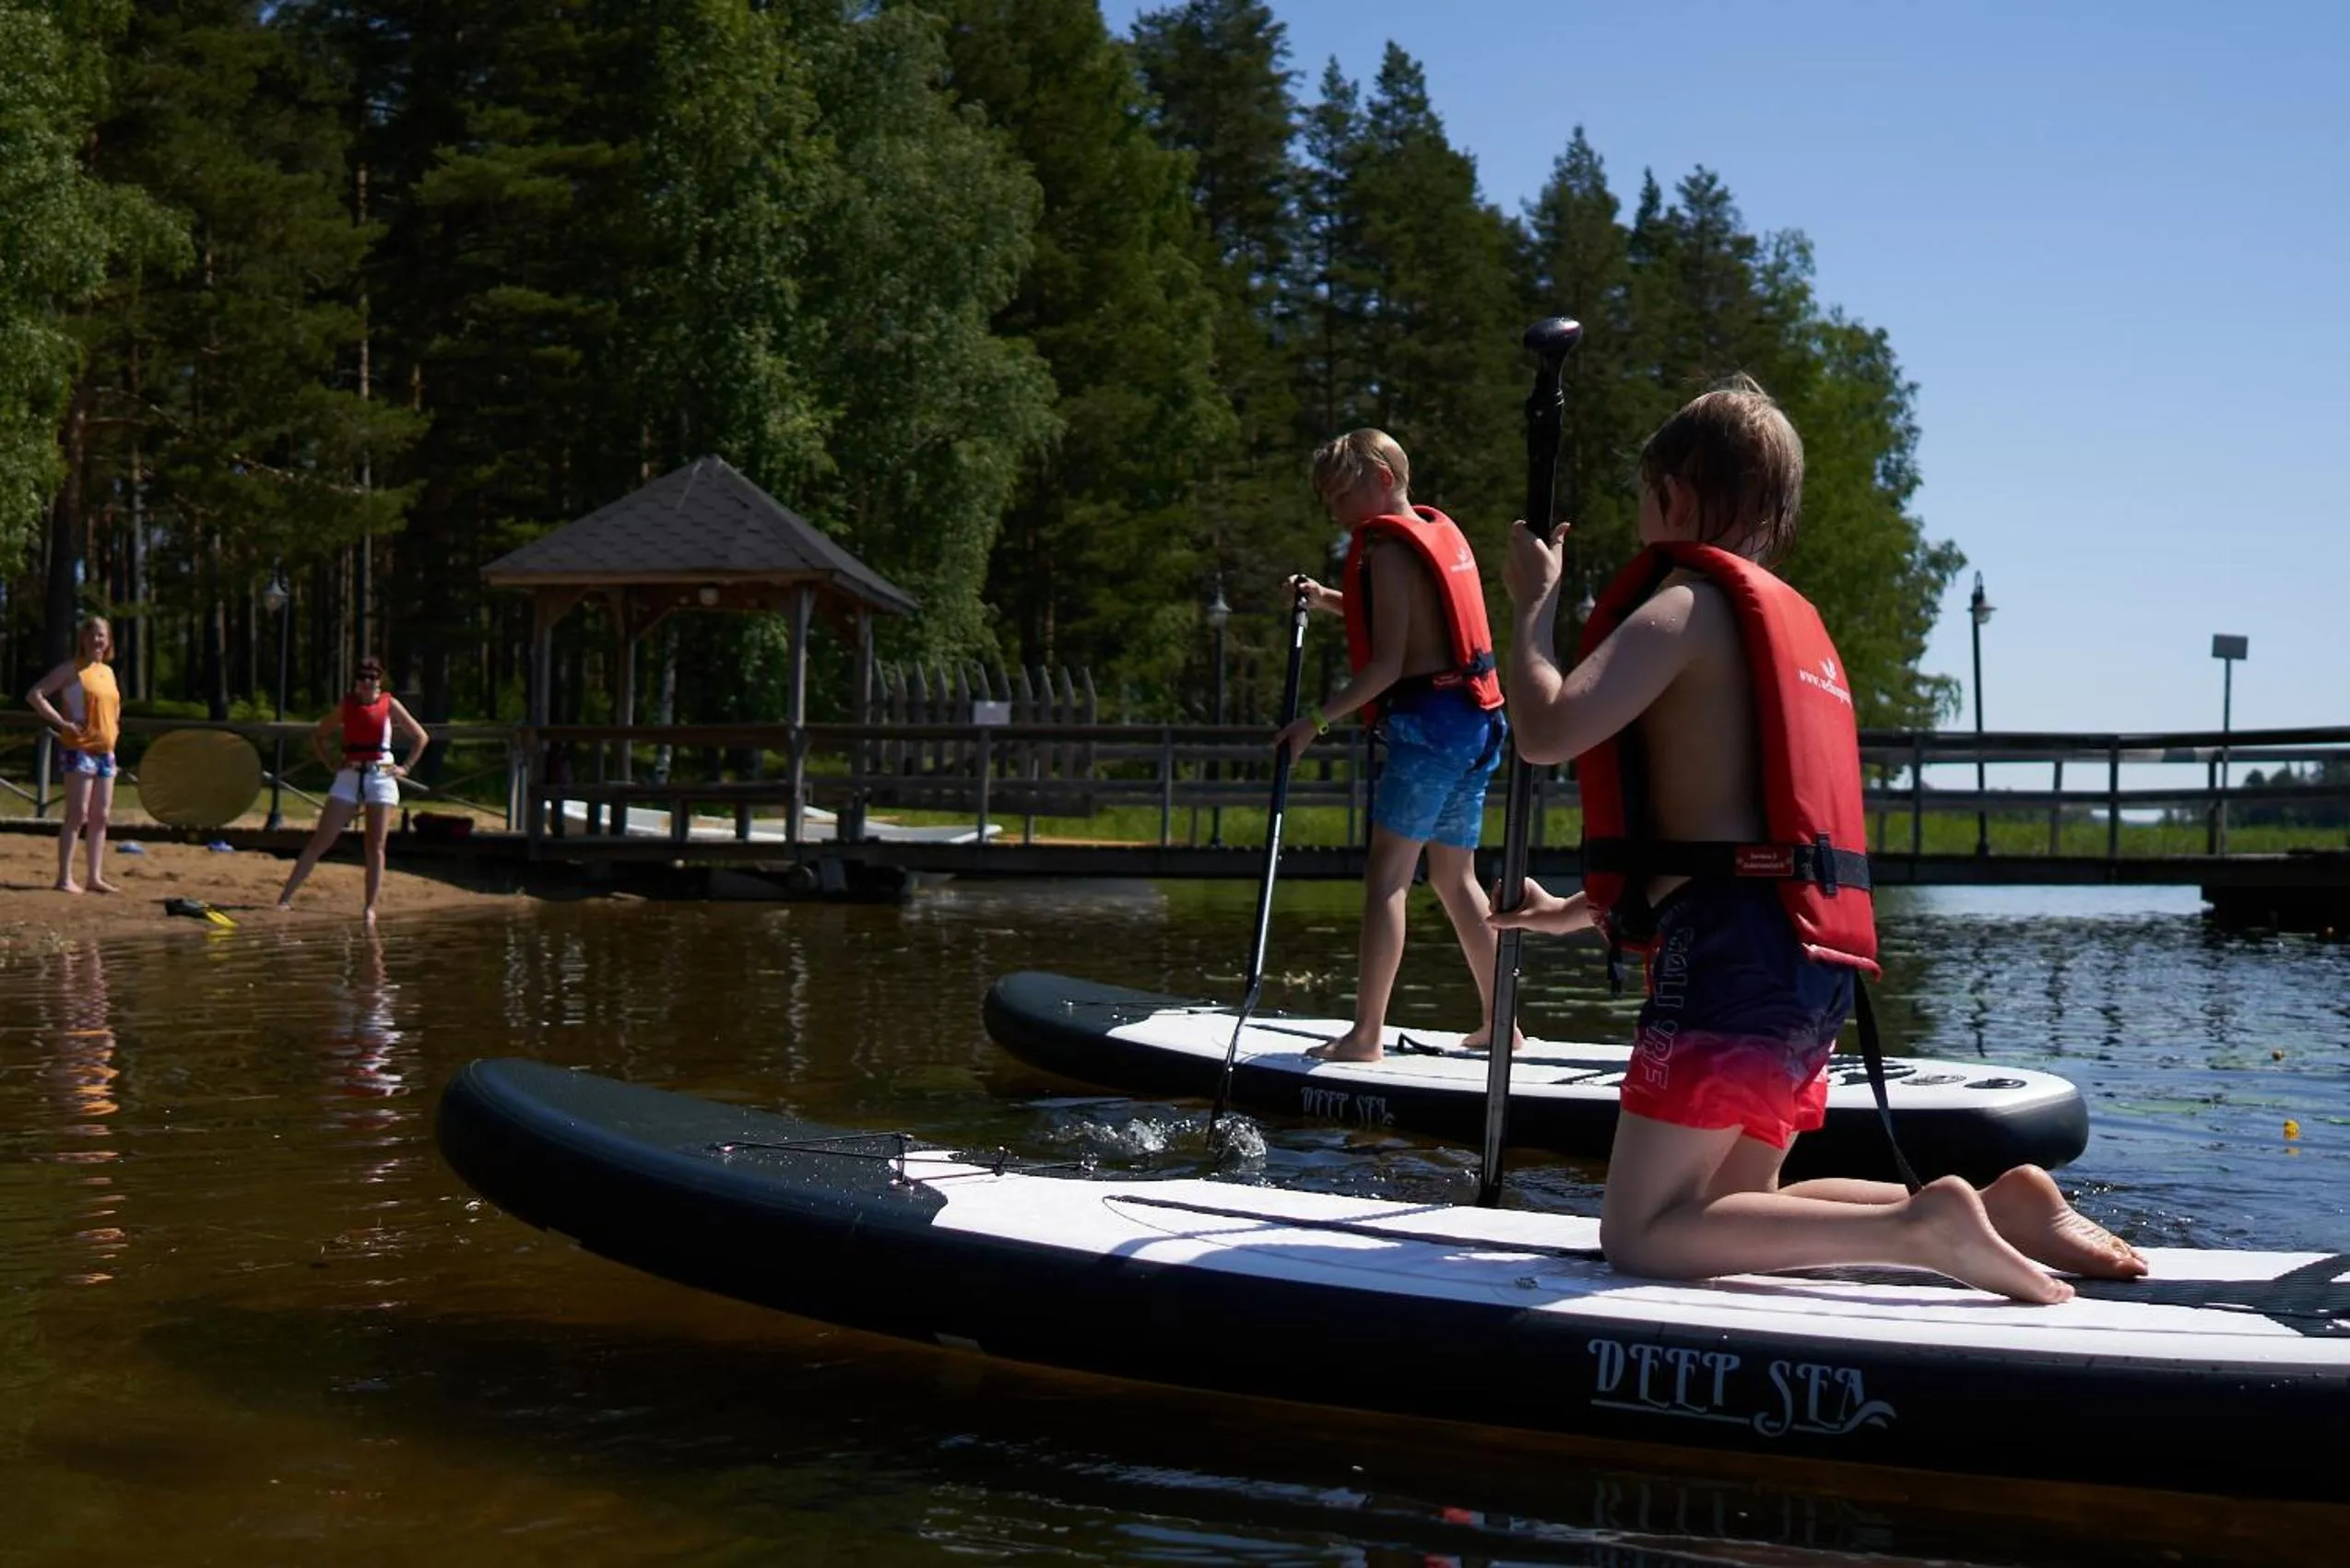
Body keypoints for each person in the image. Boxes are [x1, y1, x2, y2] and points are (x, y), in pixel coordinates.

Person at [1488, 375, 2146, 1305]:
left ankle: (1917, 1226)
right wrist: (1571, 912)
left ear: (1672, 497)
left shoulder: (1680, 610)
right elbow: (1730, 823)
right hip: (1805, 957)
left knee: (1640, 1233)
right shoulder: (1791, 626)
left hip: (1727, 953)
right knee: (1735, 1200)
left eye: (1643, 501)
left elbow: (1546, 731)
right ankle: (2001, 1208)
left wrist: (1529, 610)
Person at [1271, 429, 1515, 1062]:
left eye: (1340, 494)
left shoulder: (1386, 551)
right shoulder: (1431, 531)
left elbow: (1384, 669)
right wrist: (1324, 599)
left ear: (1380, 477)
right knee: (1454, 875)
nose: (1334, 510)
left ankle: (1365, 1034)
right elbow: (1415, 631)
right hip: (1478, 718)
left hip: (1430, 725)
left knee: (1386, 877)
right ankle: (1502, 1023)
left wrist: (1312, 724)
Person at [276, 657, 430, 925]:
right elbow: (320, 735)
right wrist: (331, 763)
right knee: (321, 839)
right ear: (356, 682)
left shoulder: (390, 704)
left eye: (372, 677)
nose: (367, 682)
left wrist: (405, 768)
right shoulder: (347, 706)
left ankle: (370, 907)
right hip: (349, 774)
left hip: (380, 776)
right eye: (362, 677)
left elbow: (420, 737)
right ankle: (285, 897)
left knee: (375, 845)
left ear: (379, 680)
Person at [24, 618, 123, 895]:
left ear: (108, 640)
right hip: (78, 748)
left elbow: (114, 707)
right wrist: (62, 722)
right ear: (82, 639)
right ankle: (64, 876)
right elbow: (36, 694)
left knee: (100, 815)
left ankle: (94, 876)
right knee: (77, 813)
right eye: (91, 636)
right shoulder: (72, 669)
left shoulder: (108, 672)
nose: (97, 641)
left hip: (105, 751)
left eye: (101, 636)